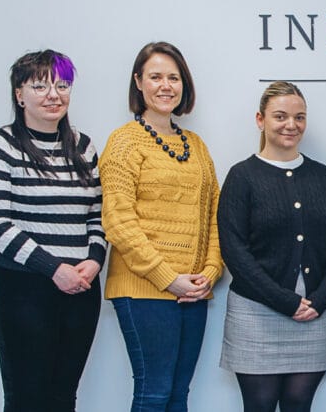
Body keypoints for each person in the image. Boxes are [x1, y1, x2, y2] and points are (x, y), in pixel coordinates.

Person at [0, 49, 104, 411]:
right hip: (22, 289)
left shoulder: (84, 147)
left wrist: (94, 260)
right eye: (40, 86)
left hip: (80, 289)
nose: (53, 95)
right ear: (20, 94)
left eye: (62, 85)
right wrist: (54, 269)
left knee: (63, 398)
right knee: (27, 399)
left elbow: (97, 214)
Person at [99, 41, 224, 412]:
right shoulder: (123, 142)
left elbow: (214, 215)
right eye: (155, 77)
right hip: (144, 289)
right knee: (153, 393)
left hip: (194, 291)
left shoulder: (196, 146)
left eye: (174, 77)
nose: (166, 86)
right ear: (139, 82)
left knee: (177, 395)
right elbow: (118, 222)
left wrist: (210, 273)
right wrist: (168, 278)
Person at [217, 81, 326, 412]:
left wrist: (321, 299)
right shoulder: (242, 176)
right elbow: (234, 251)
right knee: (259, 405)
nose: (291, 124)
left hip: (314, 312)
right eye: (280, 116)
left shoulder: (323, 177)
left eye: (299, 117)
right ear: (260, 120)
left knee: (299, 404)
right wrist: (285, 301)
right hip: (256, 312)